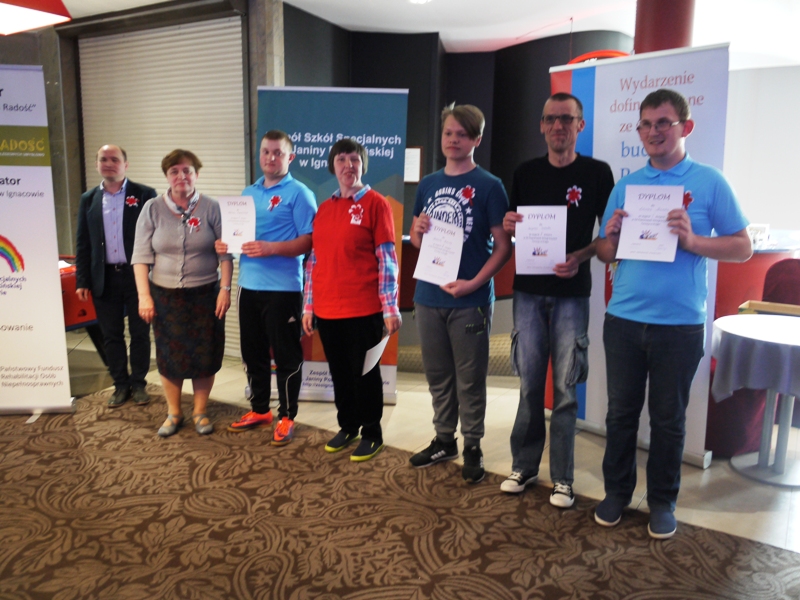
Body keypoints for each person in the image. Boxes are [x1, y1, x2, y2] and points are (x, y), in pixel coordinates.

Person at [595, 89, 751, 538]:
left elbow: (743, 246)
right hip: (623, 320)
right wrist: (611, 237)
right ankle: (616, 492)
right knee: (620, 415)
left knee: (668, 420)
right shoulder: (627, 186)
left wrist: (693, 241)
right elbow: (605, 253)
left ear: (686, 127)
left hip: (679, 325)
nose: (653, 131)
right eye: (646, 124)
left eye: (663, 122)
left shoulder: (709, 181)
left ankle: (662, 501)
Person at [500, 93, 614, 507]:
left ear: (580, 125)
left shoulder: (597, 173)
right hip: (528, 292)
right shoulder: (526, 172)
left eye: (567, 119)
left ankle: (563, 478)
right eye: (551, 119)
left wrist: (580, 256)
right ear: (542, 125)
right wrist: (509, 224)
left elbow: (608, 237)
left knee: (565, 389)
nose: (558, 126)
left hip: (571, 294)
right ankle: (525, 466)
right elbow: (514, 227)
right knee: (529, 385)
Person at [408, 104, 512, 483]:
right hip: (429, 295)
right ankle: (443, 439)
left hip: (470, 299)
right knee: (438, 375)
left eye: (462, 134)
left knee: (469, 378)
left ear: (476, 140)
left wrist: (474, 283)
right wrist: (418, 231)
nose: (453, 140)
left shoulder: (490, 186)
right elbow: (417, 240)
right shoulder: (428, 184)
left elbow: (503, 247)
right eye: (448, 133)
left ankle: (472, 444)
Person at [301, 138, 401, 462]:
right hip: (327, 309)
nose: (348, 165)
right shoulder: (324, 209)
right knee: (340, 374)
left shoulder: (376, 204)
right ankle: (348, 426)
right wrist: (309, 306)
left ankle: (372, 433)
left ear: (363, 165)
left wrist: (390, 307)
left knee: (365, 375)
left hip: (364, 309)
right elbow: (314, 261)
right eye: (341, 160)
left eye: (354, 159)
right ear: (333, 166)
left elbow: (387, 259)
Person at [217, 130, 317, 446]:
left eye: (278, 153)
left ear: (291, 157)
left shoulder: (300, 194)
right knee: (253, 352)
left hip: (284, 289)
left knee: (286, 356)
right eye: (265, 152)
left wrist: (271, 248)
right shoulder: (248, 192)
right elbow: (239, 239)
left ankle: (287, 416)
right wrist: (226, 245)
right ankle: (260, 410)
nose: (270, 158)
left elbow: (310, 241)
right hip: (248, 286)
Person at [132, 149, 233, 437]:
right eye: (174, 171)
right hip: (165, 297)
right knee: (169, 355)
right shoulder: (152, 208)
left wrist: (225, 289)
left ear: (196, 174)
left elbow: (226, 254)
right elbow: (140, 256)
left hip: (206, 295)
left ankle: (200, 411)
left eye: (187, 170)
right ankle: (174, 412)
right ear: (167, 176)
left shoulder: (212, 207)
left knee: (205, 354)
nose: (181, 176)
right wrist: (144, 296)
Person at [75, 145, 157, 408]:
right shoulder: (88, 199)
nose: (108, 163)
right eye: (103, 159)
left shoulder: (144, 194)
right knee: (111, 335)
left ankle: (139, 383)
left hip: (137, 277)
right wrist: (82, 280)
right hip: (104, 278)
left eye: (114, 159)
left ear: (125, 164)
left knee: (140, 333)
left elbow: (156, 235)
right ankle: (120, 385)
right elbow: (83, 243)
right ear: (97, 164)